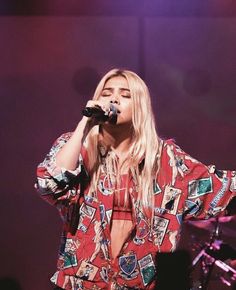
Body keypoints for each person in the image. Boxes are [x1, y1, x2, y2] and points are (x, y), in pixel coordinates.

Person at [35, 68, 236, 290]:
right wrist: (85, 123)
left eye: (125, 94)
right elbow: (50, 184)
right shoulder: (76, 148)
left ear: (139, 106)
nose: (113, 98)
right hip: (78, 284)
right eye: (107, 92)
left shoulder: (167, 161)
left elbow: (226, 189)